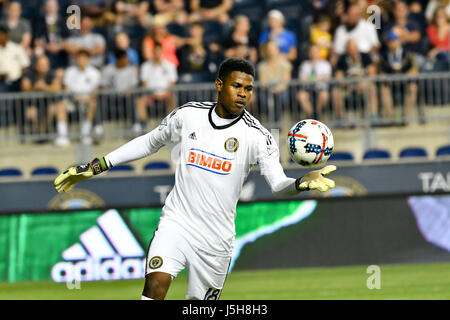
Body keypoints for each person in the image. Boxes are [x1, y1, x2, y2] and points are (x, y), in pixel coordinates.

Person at [53, 58, 337, 300]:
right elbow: (150, 142)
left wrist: (300, 183)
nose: (242, 94)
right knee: (155, 286)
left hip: (217, 240)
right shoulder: (188, 115)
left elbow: (278, 186)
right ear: (219, 85)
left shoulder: (258, 136)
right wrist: (97, 164)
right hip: (177, 223)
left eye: (248, 89)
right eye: (237, 86)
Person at [60, 50, 101, 145]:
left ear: (88, 60)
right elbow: (66, 89)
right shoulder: (70, 71)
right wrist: (75, 97)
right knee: (61, 105)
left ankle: (84, 135)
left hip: (87, 100)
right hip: (72, 100)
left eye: (83, 58)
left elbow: (95, 91)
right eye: (79, 58)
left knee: (92, 104)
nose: (81, 60)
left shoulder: (94, 72)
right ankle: (63, 136)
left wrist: (86, 98)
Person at [332, 39, 378, 123]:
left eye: (354, 48)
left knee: (372, 89)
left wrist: (365, 81)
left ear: (357, 48)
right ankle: (340, 118)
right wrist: (344, 82)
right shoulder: (342, 59)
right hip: (347, 85)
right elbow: (339, 75)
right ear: (347, 49)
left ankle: (373, 115)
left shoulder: (365, 56)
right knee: (336, 92)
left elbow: (372, 72)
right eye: (350, 48)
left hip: (363, 84)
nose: (352, 50)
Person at [135, 42, 178, 134]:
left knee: (172, 98)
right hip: (150, 95)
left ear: (162, 52)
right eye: (155, 52)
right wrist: (152, 94)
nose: (157, 54)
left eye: (159, 52)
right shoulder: (145, 66)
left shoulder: (170, 66)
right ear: (153, 53)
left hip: (165, 95)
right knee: (140, 101)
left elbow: (172, 83)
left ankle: (169, 127)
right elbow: (144, 84)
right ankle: (143, 126)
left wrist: (165, 94)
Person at [20, 55, 63, 142]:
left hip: (48, 103)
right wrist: (35, 88)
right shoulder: (29, 73)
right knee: (31, 112)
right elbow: (25, 88)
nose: (43, 67)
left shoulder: (52, 73)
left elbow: (57, 88)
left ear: (48, 65)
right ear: (36, 65)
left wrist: (44, 87)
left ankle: (43, 132)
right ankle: (40, 133)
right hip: (33, 103)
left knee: (54, 109)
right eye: (41, 64)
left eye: (45, 64)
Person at [379, 30, 419, 123]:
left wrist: (405, 75)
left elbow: (414, 70)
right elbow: (381, 73)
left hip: (405, 82)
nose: (392, 43)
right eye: (390, 40)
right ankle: (390, 117)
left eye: (394, 40)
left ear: (399, 41)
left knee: (413, 88)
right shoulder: (383, 56)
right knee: (384, 89)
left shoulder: (408, 54)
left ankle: (406, 116)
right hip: (390, 83)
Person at [257, 40, 292, 126]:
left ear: (277, 49)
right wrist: (271, 89)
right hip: (267, 91)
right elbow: (263, 83)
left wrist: (276, 89)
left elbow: (285, 82)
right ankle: (273, 123)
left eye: (273, 48)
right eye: (269, 49)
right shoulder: (262, 65)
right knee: (263, 98)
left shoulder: (285, 63)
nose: (271, 51)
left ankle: (276, 123)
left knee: (281, 97)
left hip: (280, 91)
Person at [297, 44, 332, 119]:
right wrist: (318, 78)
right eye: (312, 51)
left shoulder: (325, 64)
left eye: (315, 51)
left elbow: (327, 77)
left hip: (321, 88)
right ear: (309, 53)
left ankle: (317, 113)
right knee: (301, 95)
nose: (313, 53)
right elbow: (302, 78)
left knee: (324, 95)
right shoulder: (305, 65)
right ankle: (311, 115)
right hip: (307, 88)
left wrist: (310, 78)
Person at [0, 25, 30, 93]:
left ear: (6, 35)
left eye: (1, 34)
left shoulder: (16, 48)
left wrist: (19, 74)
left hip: (17, 80)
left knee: (26, 85)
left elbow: (25, 65)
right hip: (1, 82)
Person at [426, 6, 450, 71]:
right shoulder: (431, 29)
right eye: (438, 16)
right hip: (436, 56)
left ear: (446, 17)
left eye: (442, 16)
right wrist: (441, 29)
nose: (440, 19)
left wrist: (438, 49)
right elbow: (435, 42)